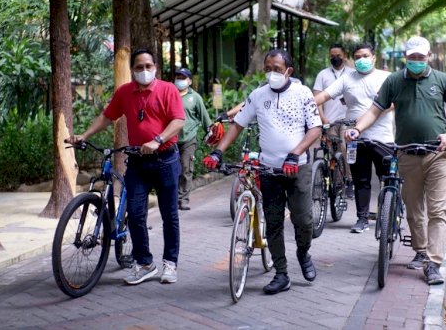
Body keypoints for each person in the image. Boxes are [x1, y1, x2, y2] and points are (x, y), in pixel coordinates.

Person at [346, 36, 446, 285]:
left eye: (420, 58)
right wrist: (357, 129)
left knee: (438, 211)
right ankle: (421, 250)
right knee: (414, 210)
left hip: (437, 153)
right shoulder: (394, 81)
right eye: (412, 57)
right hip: (406, 154)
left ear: (428, 57)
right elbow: (374, 110)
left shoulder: (442, 80)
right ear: (406, 57)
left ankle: (433, 264)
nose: (416, 62)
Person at [203, 50, 322, 295]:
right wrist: (218, 152)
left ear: (289, 70)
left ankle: (303, 252)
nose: (271, 73)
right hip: (268, 169)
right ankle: (281, 273)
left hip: (297, 167)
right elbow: (238, 125)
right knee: (274, 222)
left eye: (277, 68)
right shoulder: (258, 96)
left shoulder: (303, 94)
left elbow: (315, 130)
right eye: (268, 68)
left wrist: (295, 153)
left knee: (304, 220)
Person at [70, 48, 185, 286]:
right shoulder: (125, 92)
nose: (144, 71)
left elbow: (178, 121)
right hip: (137, 162)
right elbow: (107, 116)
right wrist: (85, 134)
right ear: (132, 70)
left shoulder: (168, 90)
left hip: (165, 159)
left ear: (155, 67)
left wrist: (158, 140)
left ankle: (170, 263)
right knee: (134, 214)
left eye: (148, 66)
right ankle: (144, 263)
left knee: (169, 215)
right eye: (139, 67)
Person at [314, 42, 395, 233]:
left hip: (382, 137)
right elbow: (324, 96)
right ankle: (362, 218)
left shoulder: (386, 78)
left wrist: (372, 114)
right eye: (358, 57)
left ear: (374, 57)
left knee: (387, 178)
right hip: (353, 137)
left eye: (365, 56)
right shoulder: (346, 78)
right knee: (361, 179)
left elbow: (394, 103)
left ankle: (388, 215)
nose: (362, 60)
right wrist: (300, 102)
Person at [312, 43, 354, 199]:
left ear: (344, 55)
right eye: (332, 55)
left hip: (347, 120)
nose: (335, 58)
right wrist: (322, 118)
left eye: (338, 55)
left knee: (344, 148)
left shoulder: (352, 73)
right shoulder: (323, 75)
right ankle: (336, 183)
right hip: (329, 120)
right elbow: (317, 99)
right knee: (331, 152)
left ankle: (349, 181)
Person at [174, 67, 212, 211]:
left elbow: (204, 117)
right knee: (172, 169)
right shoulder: (170, 94)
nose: (179, 80)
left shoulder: (195, 97)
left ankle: (183, 199)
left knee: (185, 168)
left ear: (189, 81)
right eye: (178, 77)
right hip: (171, 138)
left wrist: (211, 132)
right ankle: (173, 198)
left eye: (183, 78)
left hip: (189, 138)